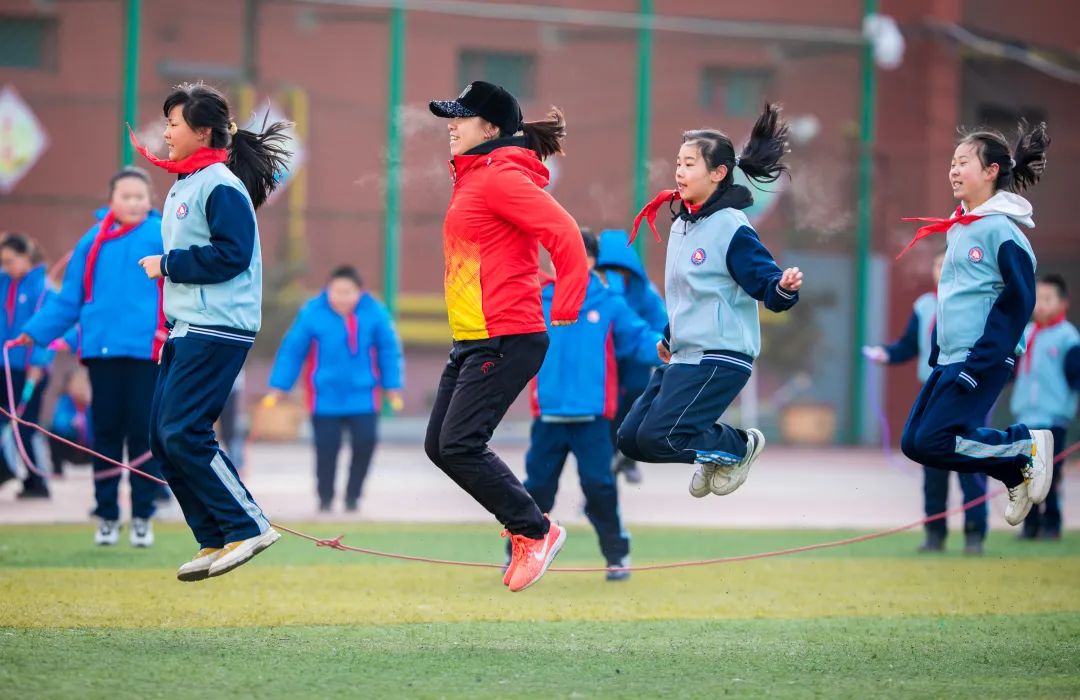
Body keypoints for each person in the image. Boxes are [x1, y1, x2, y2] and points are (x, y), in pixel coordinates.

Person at [426, 80, 588, 593]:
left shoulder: (498, 176)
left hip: (506, 335)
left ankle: (535, 531)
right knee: (440, 446)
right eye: (451, 117)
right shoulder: (476, 177)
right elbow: (497, 251)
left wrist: (567, 299)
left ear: (491, 129)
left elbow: (563, 232)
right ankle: (530, 528)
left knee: (459, 445)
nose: (452, 125)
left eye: (461, 117)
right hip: (473, 337)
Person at [132, 82, 290, 580]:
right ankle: (214, 536)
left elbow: (232, 255)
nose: (166, 132)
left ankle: (248, 525)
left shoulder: (220, 184)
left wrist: (168, 264)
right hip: (187, 326)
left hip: (218, 327)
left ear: (202, 133)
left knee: (185, 430)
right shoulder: (187, 183)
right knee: (163, 438)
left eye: (173, 124)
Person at [617, 103, 802, 499]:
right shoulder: (683, 224)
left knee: (660, 438)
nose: (679, 172)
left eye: (690, 164)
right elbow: (689, 294)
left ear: (718, 173)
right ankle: (714, 453)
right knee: (631, 439)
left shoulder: (732, 227)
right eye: (678, 164)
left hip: (720, 356)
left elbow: (767, 286)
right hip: (685, 355)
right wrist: (670, 336)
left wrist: (784, 287)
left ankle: (739, 446)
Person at [898, 121, 1054, 527]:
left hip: (980, 358)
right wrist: (938, 354)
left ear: (991, 171)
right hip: (951, 359)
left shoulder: (1001, 231)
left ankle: (1023, 447)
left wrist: (980, 362)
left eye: (963, 162)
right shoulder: (961, 229)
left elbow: (1017, 303)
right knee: (914, 443)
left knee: (934, 440)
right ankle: (1013, 470)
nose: (953, 170)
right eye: (952, 162)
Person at [17, 168, 166, 546]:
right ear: (111, 200)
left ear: (150, 199)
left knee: (144, 434)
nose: (133, 202)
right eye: (125, 196)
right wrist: (34, 331)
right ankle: (107, 515)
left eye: (139, 196)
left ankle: (143, 515)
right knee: (106, 434)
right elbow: (69, 299)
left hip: (148, 352)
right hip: (102, 352)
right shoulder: (92, 241)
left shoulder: (164, 235)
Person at [524, 230, 661, 581]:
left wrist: (666, 347)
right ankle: (520, 555)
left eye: (574, 253)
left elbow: (640, 338)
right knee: (536, 489)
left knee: (599, 488)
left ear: (591, 260)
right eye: (558, 253)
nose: (562, 260)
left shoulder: (609, 303)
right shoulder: (537, 299)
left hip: (593, 418)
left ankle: (617, 555)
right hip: (548, 414)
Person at [864, 250, 987, 554]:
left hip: (965, 393)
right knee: (932, 466)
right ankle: (934, 533)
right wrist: (885, 354)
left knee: (971, 463)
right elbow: (908, 346)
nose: (942, 270)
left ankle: (974, 534)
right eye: (937, 265)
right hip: (932, 392)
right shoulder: (924, 306)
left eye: (948, 264)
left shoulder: (974, 303)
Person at [267, 265, 404, 513]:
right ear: (328, 290)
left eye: (347, 292)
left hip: (363, 395)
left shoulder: (375, 312)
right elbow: (292, 350)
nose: (342, 298)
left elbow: (388, 349)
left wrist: (392, 385)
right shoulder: (312, 312)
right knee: (326, 449)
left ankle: (353, 496)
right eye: (336, 292)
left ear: (359, 292)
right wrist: (280, 386)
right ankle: (325, 498)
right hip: (324, 397)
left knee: (365, 443)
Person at [1010, 273, 1079, 540]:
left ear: (1063, 303)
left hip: (1052, 419)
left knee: (1050, 474)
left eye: (1048, 299)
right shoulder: (1024, 334)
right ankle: (1030, 525)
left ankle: (1052, 523)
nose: (1041, 305)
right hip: (1025, 417)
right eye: (1037, 298)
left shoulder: (1068, 338)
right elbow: (1010, 371)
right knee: (1026, 473)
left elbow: (1075, 377)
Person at [596, 229, 668, 484]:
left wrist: (662, 348)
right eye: (608, 269)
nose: (615, 275)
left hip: (636, 359)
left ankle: (627, 458)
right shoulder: (598, 292)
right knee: (607, 412)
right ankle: (609, 464)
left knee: (637, 401)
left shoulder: (645, 292)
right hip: (606, 362)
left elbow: (661, 325)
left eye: (620, 269)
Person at [0, 233, 53, 499]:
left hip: (29, 369)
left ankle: (38, 481)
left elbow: (48, 327)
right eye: (3, 262)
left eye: (11, 261)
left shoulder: (42, 288)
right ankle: (7, 471)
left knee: (25, 425)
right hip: (4, 366)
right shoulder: (3, 283)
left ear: (26, 256)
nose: (8, 267)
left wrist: (38, 363)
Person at [47, 365, 94, 476]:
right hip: (71, 446)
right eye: (77, 383)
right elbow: (58, 422)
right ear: (69, 386)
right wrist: (71, 423)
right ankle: (57, 469)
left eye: (84, 383)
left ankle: (104, 470)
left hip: (90, 449)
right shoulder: (64, 401)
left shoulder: (93, 404)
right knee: (52, 433)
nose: (80, 387)